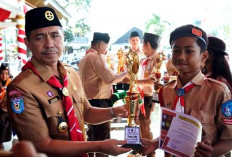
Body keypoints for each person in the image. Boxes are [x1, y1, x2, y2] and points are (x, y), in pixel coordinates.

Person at [6, 7, 131, 157]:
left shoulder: (71, 73)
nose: (49, 44)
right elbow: (41, 144)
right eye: (39, 37)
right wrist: (99, 145)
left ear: (63, 37)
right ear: (27, 43)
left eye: (55, 35)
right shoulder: (21, 88)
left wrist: (115, 112)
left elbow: (87, 112)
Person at [139, 24, 232, 156]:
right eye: (176, 51)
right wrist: (155, 143)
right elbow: (172, 131)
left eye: (189, 51)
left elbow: (229, 138)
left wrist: (212, 152)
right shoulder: (166, 91)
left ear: (204, 57)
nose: (181, 56)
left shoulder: (218, 91)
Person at [78, 32, 128, 157]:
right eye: (106, 46)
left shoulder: (85, 57)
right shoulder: (95, 57)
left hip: (89, 101)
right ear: (100, 44)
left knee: (92, 136)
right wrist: (126, 73)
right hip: (99, 102)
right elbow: (110, 79)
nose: (106, 49)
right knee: (103, 138)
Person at [135, 33, 160, 157]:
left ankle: (151, 152)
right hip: (141, 95)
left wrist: (133, 82)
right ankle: (143, 150)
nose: (142, 47)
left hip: (149, 96)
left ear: (147, 44)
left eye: (142, 43)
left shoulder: (157, 59)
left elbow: (152, 80)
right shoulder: (144, 59)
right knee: (139, 123)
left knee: (145, 124)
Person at [0, 63, 12, 150]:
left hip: (7, 109)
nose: (4, 75)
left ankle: (1, 141)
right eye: (2, 73)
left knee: (2, 119)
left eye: (6, 73)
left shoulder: (12, 84)